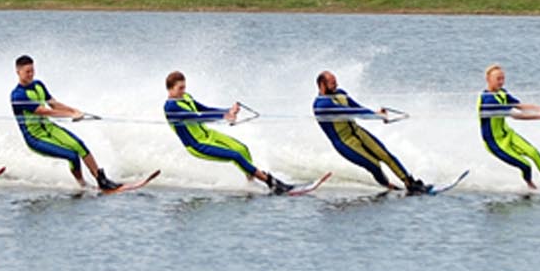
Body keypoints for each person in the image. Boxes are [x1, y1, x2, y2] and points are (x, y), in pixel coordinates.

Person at [162, 70, 291, 194]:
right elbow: (197, 117)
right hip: (197, 144)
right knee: (235, 156)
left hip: (209, 135)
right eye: (180, 88)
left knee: (242, 149)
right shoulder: (171, 107)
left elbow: (205, 109)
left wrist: (228, 111)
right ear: (170, 89)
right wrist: (223, 117)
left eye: (184, 87)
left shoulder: (186, 97)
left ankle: (252, 183)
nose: (183, 91)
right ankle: (270, 182)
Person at [10, 55, 121, 191]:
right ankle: (83, 185)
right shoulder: (17, 95)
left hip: (50, 128)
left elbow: (54, 105)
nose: (31, 74)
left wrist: (74, 110)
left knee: (79, 145)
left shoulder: (38, 85)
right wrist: (71, 114)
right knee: (72, 155)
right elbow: (43, 111)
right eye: (27, 71)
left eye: (32, 70)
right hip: (35, 137)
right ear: (18, 71)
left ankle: (101, 180)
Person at [313, 70, 429, 194]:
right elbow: (350, 112)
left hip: (358, 132)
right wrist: (378, 116)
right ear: (322, 85)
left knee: (385, 155)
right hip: (345, 143)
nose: (336, 86)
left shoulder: (341, 94)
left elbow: (358, 108)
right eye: (332, 83)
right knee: (374, 165)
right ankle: (388, 186)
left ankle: (410, 183)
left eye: (335, 82)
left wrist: (376, 114)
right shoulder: (321, 105)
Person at [478, 64, 540, 195]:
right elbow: (516, 115)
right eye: (498, 79)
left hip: (507, 134)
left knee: (533, 153)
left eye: (503, 78)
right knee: (525, 165)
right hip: (495, 143)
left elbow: (520, 106)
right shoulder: (488, 101)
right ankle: (531, 187)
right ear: (488, 79)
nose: (501, 81)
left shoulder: (502, 93)